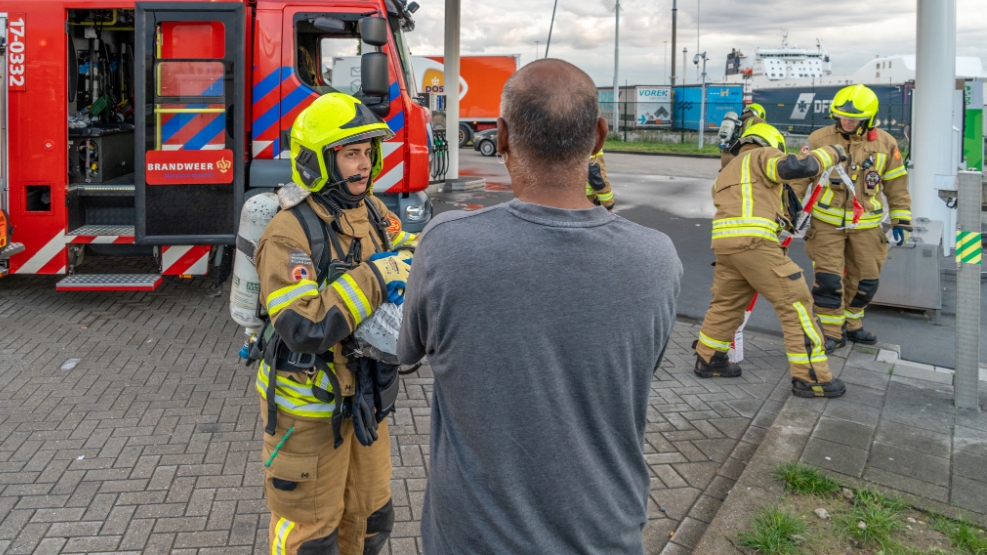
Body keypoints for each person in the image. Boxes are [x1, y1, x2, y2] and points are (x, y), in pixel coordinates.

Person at [397, 59, 683, 555]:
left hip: (472, 540)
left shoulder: (447, 245)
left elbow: (405, 353)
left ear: (502, 136)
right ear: (598, 137)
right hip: (605, 534)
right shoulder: (657, 259)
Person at [253, 93, 417, 555]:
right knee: (311, 536)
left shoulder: (371, 212)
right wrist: (375, 276)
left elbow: (413, 248)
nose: (363, 164)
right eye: (350, 153)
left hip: (364, 396)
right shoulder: (289, 231)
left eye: (367, 152)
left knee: (371, 517)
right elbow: (303, 325)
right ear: (318, 160)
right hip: (307, 408)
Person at [695, 123, 848, 399]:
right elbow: (794, 169)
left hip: (726, 246)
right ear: (772, 144)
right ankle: (812, 377)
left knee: (727, 303)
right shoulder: (761, 155)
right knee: (796, 302)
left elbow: (756, 202)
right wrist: (831, 153)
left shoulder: (727, 171)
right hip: (754, 243)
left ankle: (709, 359)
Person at [790, 84, 911, 349]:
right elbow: (799, 179)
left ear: (868, 118)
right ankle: (832, 333)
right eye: (842, 115)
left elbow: (896, 184)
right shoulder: (819, 139)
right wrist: (788, 211)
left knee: (866, 281)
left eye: (853, 117)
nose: (846, 120)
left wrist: (901, 219)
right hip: (826, 226)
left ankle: (853, 324)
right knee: (829, 282)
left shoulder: (886, 144)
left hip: (867, 228)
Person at [719, 103, 767, 168]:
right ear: (761, 114)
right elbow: (765, 139)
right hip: (741, 155)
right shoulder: (758, 120)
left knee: (726, 177)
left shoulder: (735, 121)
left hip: (725, 154)